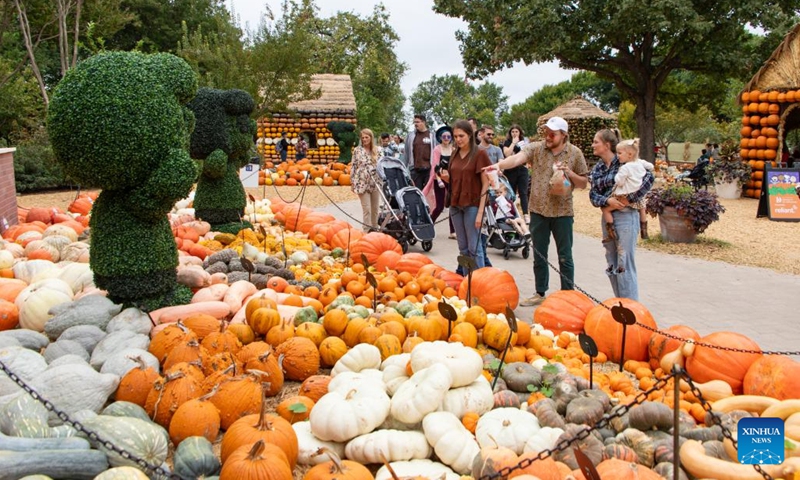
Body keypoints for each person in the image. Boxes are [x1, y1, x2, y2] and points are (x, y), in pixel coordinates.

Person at [488, 116, 589, 306]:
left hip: (562, 212)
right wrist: (498, 165)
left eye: (552, 134)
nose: (548, 137)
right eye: (546, 132)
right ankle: (540, 292)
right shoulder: (537, 148)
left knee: (565, 256)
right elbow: (518, 158)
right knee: (539, 255)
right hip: (538, 211)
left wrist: (570, 173)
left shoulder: (575, 153)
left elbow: (583, 183)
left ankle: (568, 296)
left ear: (563, 135)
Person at [590, 129, 655, 301]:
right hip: (608, 215)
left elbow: (649, 178)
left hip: (626, 215)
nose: (592, 145)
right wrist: (607, 202)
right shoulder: (598, 168)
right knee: (611, 260)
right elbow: (593, 194)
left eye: (596, 141)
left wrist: (629, 199)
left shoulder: (626, 161)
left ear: (607, 145)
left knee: (624, 261)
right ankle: (620, 302)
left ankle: (631, 308)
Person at [441, 119, 492, 270]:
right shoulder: (454, 153)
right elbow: (456, 179)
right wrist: (446, 178)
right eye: (455, 136)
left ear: (470, 135)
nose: (458, 139)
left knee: (475, 249)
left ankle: (479, 283)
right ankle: (466, 282)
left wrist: (480, 212)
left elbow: (486, 184)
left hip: (473, 205)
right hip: (456, 204)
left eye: (461, 136)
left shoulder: (480, 154)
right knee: (463, 248)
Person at [600, 138, 654, 241]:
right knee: (642, 208)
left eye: (620, 153)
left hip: (623, 196)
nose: (617, 156)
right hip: (637, 196)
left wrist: (616, 176)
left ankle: (611, 232)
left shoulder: (625, 168)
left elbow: (619, 181)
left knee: (606, 210)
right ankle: (644, 230)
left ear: (629, 154)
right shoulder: (640, 162)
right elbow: (651, 166)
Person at [422, 125, 456, 239]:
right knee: (440, 206)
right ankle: (429, 225)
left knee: (452, 205)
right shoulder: (437, 149)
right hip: (439, 179)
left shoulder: (454, 149)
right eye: (444, 136)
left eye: (448, 136)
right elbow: (435, 166)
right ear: (440, 138)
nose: (446, 138)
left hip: (451, 179)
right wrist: (439, 179)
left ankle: (453, 231)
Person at [351, 129, 382, 232]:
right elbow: (354, 166)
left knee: (375, 209)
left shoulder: (378, 150)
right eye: (363, 137)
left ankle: (375, 229)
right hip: (362, 182)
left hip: (375, 182)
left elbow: (382, 165)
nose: (364, 139)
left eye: (366, 137)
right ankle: (366, 231)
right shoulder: (357, 150)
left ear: (371, 138)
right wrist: (352, 182)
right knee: (367, 209)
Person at [502, 124, 531, 224]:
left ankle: (526, 214)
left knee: (523, 192)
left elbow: (528, 154)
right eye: (512, 132)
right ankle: (511, 213)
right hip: (511, 170)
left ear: (520, 132)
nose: (514, 133)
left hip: (522, 169)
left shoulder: (524, 142)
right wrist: (513, 143)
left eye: (516, 132)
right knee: (511, 192)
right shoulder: (507, 142)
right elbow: (507, 154)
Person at [404, 115, 437, 189]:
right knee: (416, 192)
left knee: (428, 193)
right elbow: (406, 153)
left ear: (424, 122)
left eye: (418, 122)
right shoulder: (411, 136)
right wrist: (404, 167)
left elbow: (436, 152)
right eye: (414, 122)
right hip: (415, 170)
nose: (415, 124)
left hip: (428, 169)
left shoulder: (432, 135)